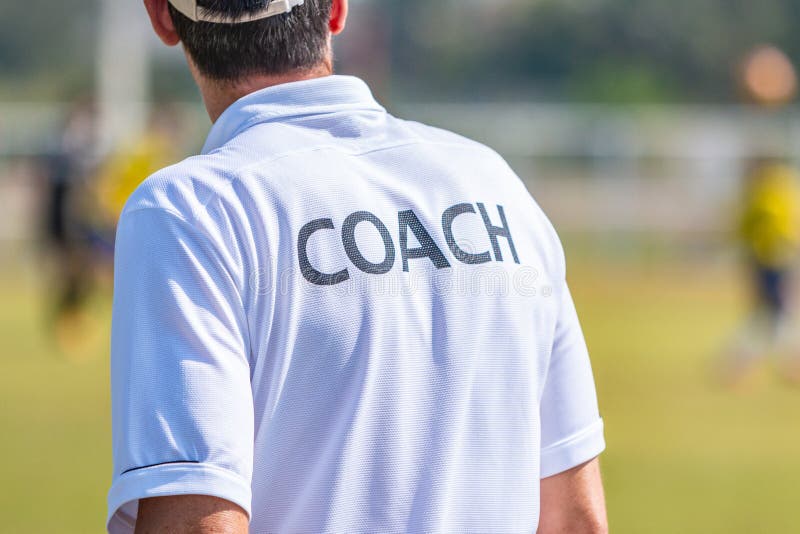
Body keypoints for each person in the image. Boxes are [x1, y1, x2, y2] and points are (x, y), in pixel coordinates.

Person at [108, 1, 607, 532]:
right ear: (337, 10)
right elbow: (576, 518)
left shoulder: (191, 209)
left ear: (161, 16)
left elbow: (193, 523)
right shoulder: (495, 183)